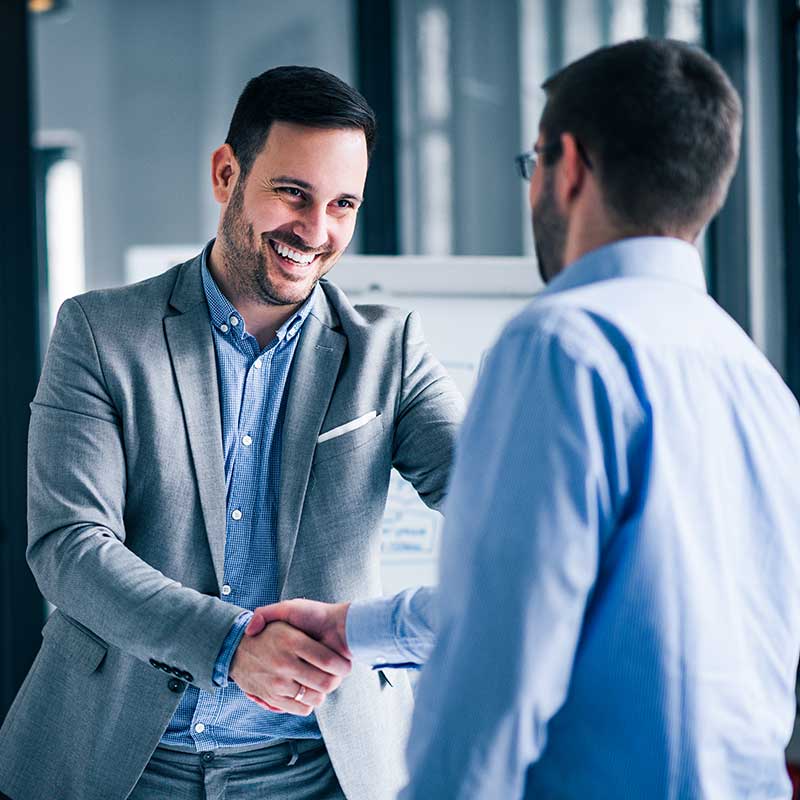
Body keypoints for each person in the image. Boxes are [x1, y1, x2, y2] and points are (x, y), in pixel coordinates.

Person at [251, 39, 800, 798]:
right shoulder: (758, 381)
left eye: (532, 163)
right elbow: (565, 600)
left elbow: (498, 656)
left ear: (567, 166)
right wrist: (354, 629)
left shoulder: (562, 345)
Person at [0, 66, 463, 800]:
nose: (316, 231)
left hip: (318, 768)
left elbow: (497, 502)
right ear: (227, 174)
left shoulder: (389, 350)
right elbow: (69, 545)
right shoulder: (100, 332)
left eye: (342, 204)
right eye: (293, 193)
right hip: (123, 759)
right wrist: (229, 647)